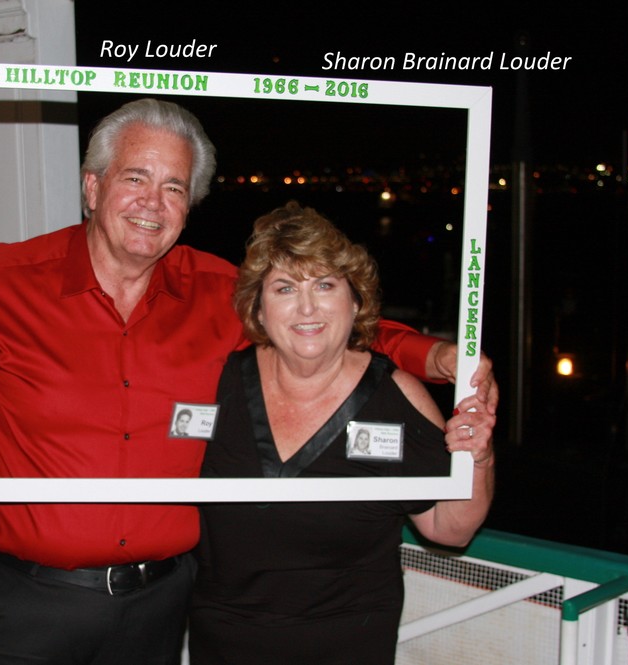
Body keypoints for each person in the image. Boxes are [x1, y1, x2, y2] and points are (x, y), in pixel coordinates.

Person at [0, 99, 496, 665]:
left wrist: (438, 356)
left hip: (155, 610)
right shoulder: (0, 283)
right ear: (92, 187)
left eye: (174, 187)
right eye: (136, 178)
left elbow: (316, 327)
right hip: (15, 604)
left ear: (190, 205)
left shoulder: (217, 293)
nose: (153, 203)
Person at [188, 201, 495, 665]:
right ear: (259, 310)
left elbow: (450, 529)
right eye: (285, 288)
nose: (307, 307)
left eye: (325, 285)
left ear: (354, 302)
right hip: (225, 643)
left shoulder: (396, 396)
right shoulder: (218, 384)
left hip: (351, 644)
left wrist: (480, 457)